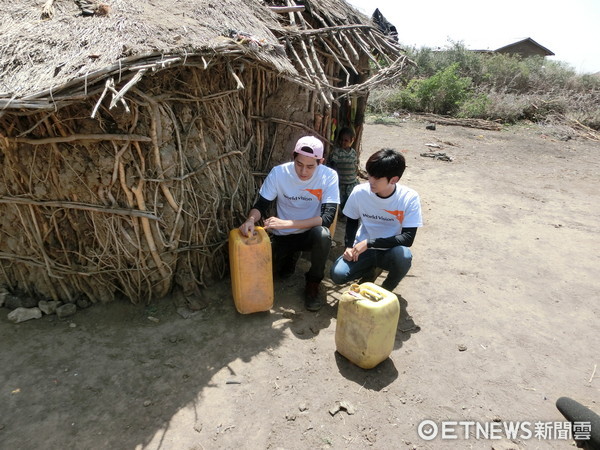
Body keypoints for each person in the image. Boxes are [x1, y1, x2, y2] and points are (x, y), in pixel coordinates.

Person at [239, 136, 340, 311]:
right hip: (282, 236)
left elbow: (327, 218)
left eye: (310, 167)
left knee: (323, 235)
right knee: (277, 274)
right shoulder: (279, 173)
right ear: (293, 156)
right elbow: (261, 206)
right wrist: (250, 220)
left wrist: (286, 223)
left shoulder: (329, 176)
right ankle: (291, 256)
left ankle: (313, 283)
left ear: (321, 162)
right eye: (299, 164)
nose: (303, 172)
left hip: (309, 234)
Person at [330, 148, 423, 292]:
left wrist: (369, 243)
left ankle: (386, 289)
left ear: (394, 179)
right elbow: (352, 221)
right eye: (370, 174)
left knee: (403, 256)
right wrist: (349, 246)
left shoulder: (409, 198)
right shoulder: (360, 192)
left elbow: (407, 238)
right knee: (337, 275)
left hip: (389, 250)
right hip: (362, 250)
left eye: (377, 178)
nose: (370, 180)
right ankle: (370, 270)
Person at [326, 127, 360, 215]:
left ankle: (349, 214)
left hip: (351, 183)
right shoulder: (337, 152)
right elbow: (333, 165)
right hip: (341, 183)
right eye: (341, 140)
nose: (343, 142)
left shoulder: (353, 152)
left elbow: (355, 165)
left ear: (352, 140)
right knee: (339, 201)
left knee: (350, 200)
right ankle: (340, 215)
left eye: (346, 140)